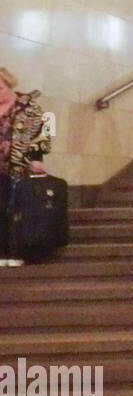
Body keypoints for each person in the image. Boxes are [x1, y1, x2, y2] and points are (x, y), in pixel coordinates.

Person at [0, 67, 53, 267]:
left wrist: (37, 158)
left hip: (19, 167)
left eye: (1, 88)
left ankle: (17, 252)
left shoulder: (29, 107)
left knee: (16, 209)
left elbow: (44, 133)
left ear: (9, 85)